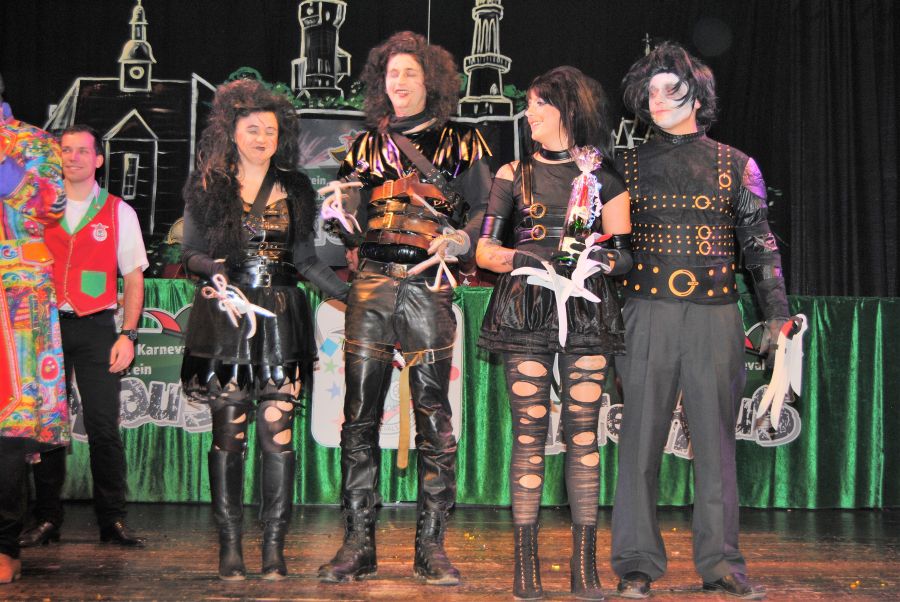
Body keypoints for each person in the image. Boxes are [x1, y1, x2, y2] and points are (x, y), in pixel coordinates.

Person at [610, 42, 787, 600]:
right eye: (650, 91)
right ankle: (636, 563)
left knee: (716, 446)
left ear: (698, 95)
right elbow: (607, 246)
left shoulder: (738, 165)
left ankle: (722, 564)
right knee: (638, 441)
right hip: (645, 313)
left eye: (671, 89)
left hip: (715, 316)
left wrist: (777, 315)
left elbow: (760, 246)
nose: (658, 100)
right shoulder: (623, 165)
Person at [317, 31, 491, 586]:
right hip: (370, 282)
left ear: (430, 81)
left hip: (429, 285)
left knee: (434, 416)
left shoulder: (463, 140)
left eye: (410, 73)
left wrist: (461, 240)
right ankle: (357, 543)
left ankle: (431, 547)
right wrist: (340, 212)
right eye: (392, 73)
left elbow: (487, 209)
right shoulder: (362, 147)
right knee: (359, 415)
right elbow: (344, 225)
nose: (399, 82)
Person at [180, 78, 348, 581]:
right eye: (252, 129)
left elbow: (306, 261)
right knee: (229, 435)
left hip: (281, 319)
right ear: (232, 132)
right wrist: (214, 269)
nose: (262, 138)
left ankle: (274, 547)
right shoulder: (208, 184)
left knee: (278, 435)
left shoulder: (297, 187)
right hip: (227, 318)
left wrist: (351, 296)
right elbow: (189, 253)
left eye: (270, 131)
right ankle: (230, 545)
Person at [476, 66, 632, 601]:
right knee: (529, 433)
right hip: (526, 305)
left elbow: (626, 253)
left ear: (568, 109)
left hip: (585, 307)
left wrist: (601, 261)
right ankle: (527, 568)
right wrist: (520, 259)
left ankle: (584, 567)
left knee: (584, 434)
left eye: (538, 104)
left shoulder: (605, 177)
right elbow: (484, 251)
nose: (529, 114)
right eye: (528, 105)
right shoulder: (512, 173)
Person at [19, 124, 148, 549]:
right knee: (47, 430)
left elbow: (133, 279)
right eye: (66, 150)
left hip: (96, 328)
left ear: (98, 159)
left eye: (82, 151)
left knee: (103, 427)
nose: (73, 157)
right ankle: (46, 518)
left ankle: (112, 520)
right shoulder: (37, 208)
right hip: (44, 329)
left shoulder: (118, 211)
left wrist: (128, 334)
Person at [0, 73, 68, 583]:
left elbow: (51, 205)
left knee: (9, 425)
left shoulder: (32, 142)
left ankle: (4, 545)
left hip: (17, 299)